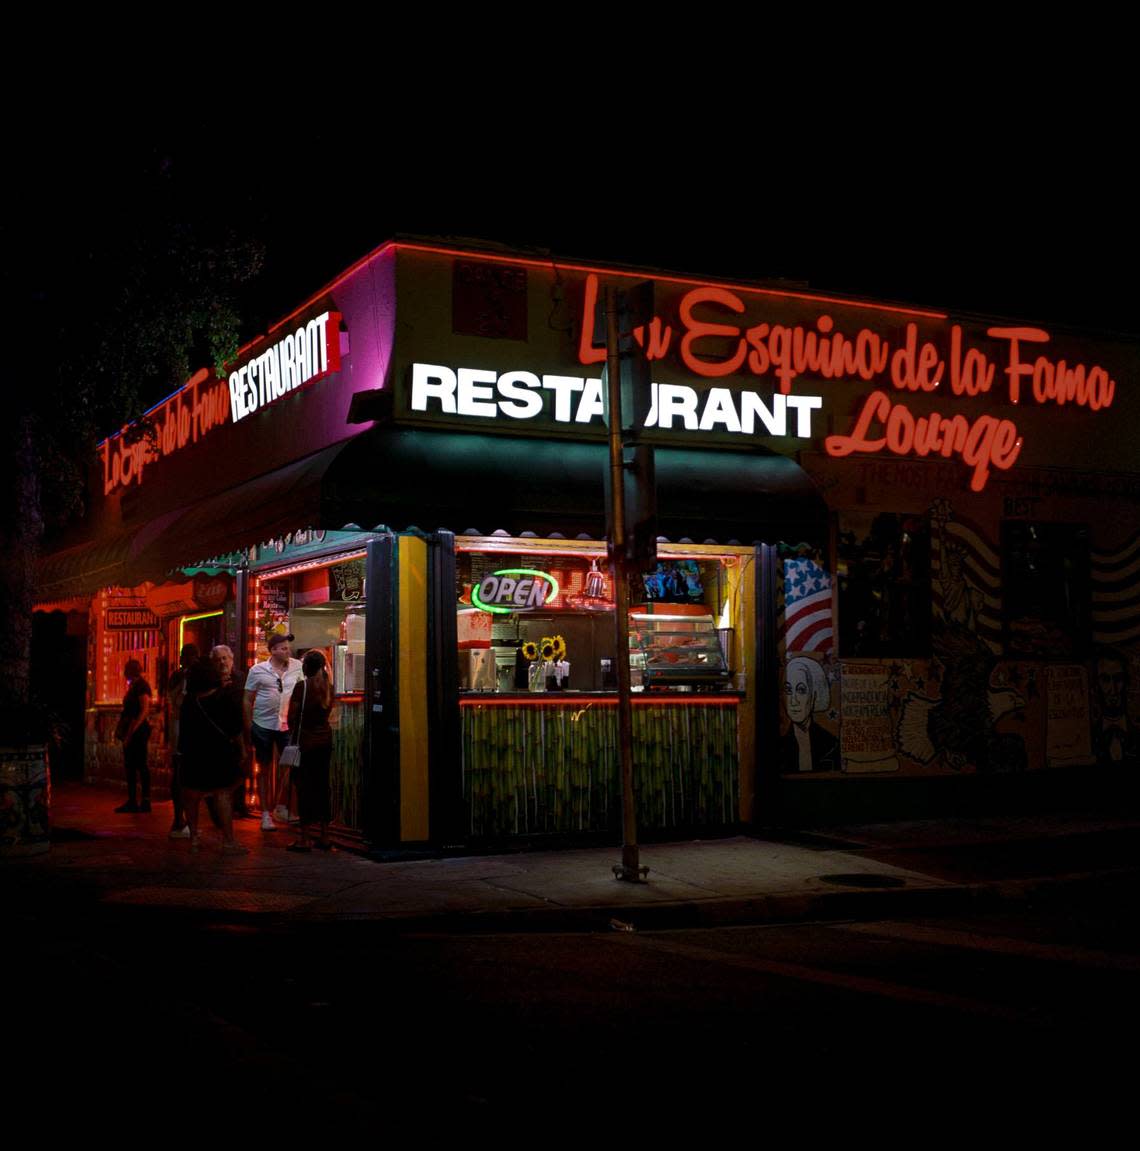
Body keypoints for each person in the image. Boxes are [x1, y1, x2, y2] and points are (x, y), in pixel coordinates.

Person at [179, 658, 248, 854]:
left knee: (191, 796)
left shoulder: (189, 701)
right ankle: (228, 840)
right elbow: (235, 729)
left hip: (193, 753)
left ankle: (193, 838)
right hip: (219, 752)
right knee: (223, 794)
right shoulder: (223, 697)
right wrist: (242, 751)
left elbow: (183, 730)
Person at [244, 631, 303, 831]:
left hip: (286, 725)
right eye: (284, 648)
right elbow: (247, 698)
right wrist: (248, 724)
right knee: (264, 768)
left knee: (290, 766)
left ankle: (281, 804)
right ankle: (265, 814)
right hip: (263, 725)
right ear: (273, 650)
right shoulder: (257, 671)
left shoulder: (297, 667)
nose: (288, 651)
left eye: (288, 648)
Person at [285, 649, 334, 853]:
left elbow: (291, 717)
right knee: (323, 787)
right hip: (325, 742)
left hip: (305, 743)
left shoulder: (302, 687)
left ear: (306, 667)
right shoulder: (328, 688)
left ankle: (304, 838)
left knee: (304, 788)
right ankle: (324, 835)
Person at [211, 644, 252, 817]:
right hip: (220, 734)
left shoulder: (242, 679)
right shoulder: (211, 681)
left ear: (231, 659)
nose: (222, 662)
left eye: (224, 658)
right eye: (218, 659)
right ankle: (222, 805)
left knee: (243, 768)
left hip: (241, 730)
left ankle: (238, 804)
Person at [779, 656, 839, 773]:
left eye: (801, 690)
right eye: (788, 690)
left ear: (814, 695)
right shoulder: (779, 746)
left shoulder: (831, 745)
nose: (793, 701)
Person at [164, 643, 198, 836]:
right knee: (183, 775)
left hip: (179, 730)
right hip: (185, 730)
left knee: (179, 773)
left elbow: (172, 700)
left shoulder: (179, 677)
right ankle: (181, 819)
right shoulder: (185, 677)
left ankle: (180, 819)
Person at [115, 659, 153, 812]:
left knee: (140, 764)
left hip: (138, 730)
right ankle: (133, 800)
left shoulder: (141, 686)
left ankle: (144, 800)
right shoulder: (134, 686)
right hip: (133, 729)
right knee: (131, 765)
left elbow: (144, 710)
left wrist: (132, 731)